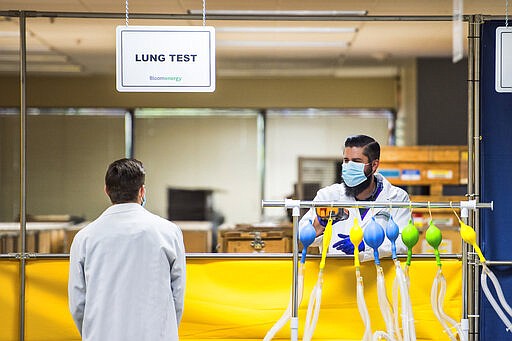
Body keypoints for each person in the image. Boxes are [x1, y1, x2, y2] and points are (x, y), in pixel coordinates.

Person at [68, 158, 186, 340]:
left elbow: (77, 304)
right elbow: (177, 295)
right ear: (142, 191)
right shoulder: (168, 232)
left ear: (106, 190)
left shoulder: (84, 238)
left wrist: (94, 332)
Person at [299, 135, 410, 261]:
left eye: (356, 161)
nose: (349, 166)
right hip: (337, 274)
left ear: (374, 165)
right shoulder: (328, 196)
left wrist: (367, 246)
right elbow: (304, 237)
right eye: (346, 160)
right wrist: (319, 225)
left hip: (380, 275)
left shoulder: (397, 197)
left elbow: (404, 242)